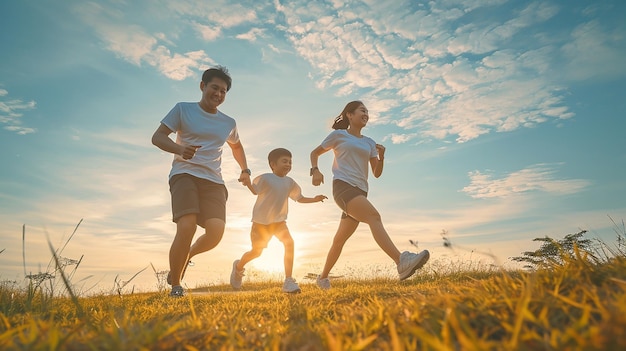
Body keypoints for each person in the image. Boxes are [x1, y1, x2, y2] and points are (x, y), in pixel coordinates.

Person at [152, 66, 252, 297]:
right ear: (202, 86)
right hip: (184, 174)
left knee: (215, 233)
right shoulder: (183, 110)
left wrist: (245, 170)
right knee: (186, 226)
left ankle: (187, 258)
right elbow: (157, 137)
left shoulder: (228, 122)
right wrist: (179, 149)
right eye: (214, 88)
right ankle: (176, 285)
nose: (218, 94)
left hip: (213, 180)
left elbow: (236, 145)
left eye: (223, 91)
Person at [310, 100, 430, 290]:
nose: (366, 114)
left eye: (367, 111)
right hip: (343, 187)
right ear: (350, 115)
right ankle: (400, 261)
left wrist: (381, 157)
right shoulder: (338, 135)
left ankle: (322, 277)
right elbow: (314, 153)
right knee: (374, 217)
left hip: (361, 191)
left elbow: (376, 172)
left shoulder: (369, 142)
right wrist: (315, 170)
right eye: (362, 110)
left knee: (339, 240)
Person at [230, 148, 327, 293]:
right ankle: (238, 267)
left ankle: (288, 280)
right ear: (273, 165)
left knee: (290, 243)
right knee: (256, 252)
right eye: (284, 161)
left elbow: (299, 198)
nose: (288, 164)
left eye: (290, 162)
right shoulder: (266, 178)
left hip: (279, 222)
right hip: (260, 223)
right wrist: (247, 182)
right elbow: (255, 190)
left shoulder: (290, 182)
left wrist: (315, 199)